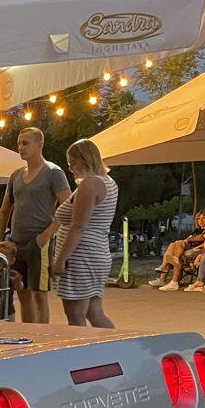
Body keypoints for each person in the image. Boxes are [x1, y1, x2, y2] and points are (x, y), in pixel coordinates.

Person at [0, 126, 71, 324]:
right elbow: (4, 212)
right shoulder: (15, 175)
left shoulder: (53, 172)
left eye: (25, 143)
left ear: (40, 144)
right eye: (19, 143)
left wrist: (47, 234)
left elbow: (68, 206)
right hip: (16, 243)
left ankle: (41, 339)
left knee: (39, 294)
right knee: (22, 292)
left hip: (40, 243)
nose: (20, 148)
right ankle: (27, 335)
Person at [49, 139, 117, 328]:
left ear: (85, 159)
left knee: (76, 317)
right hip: (97, 253)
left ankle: (81, 354)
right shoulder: (109, 183)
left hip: (80, 257)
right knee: (95, 313)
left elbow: (79, 226)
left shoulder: (90, 185)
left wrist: (60, 260)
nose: (71, 168)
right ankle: (111, 350)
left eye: (73, 163)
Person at [152, 210, 205, 290]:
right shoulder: (197, 230)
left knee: (176, 253)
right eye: (198, 218)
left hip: (197, 251)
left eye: (203, 218)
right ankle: (163, 277)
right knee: (173, 245)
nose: (200, 221)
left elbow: (202, 239)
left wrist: (192, 239)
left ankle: (171, 279)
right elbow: (188, 239)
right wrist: (190, 239)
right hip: (188, 248)